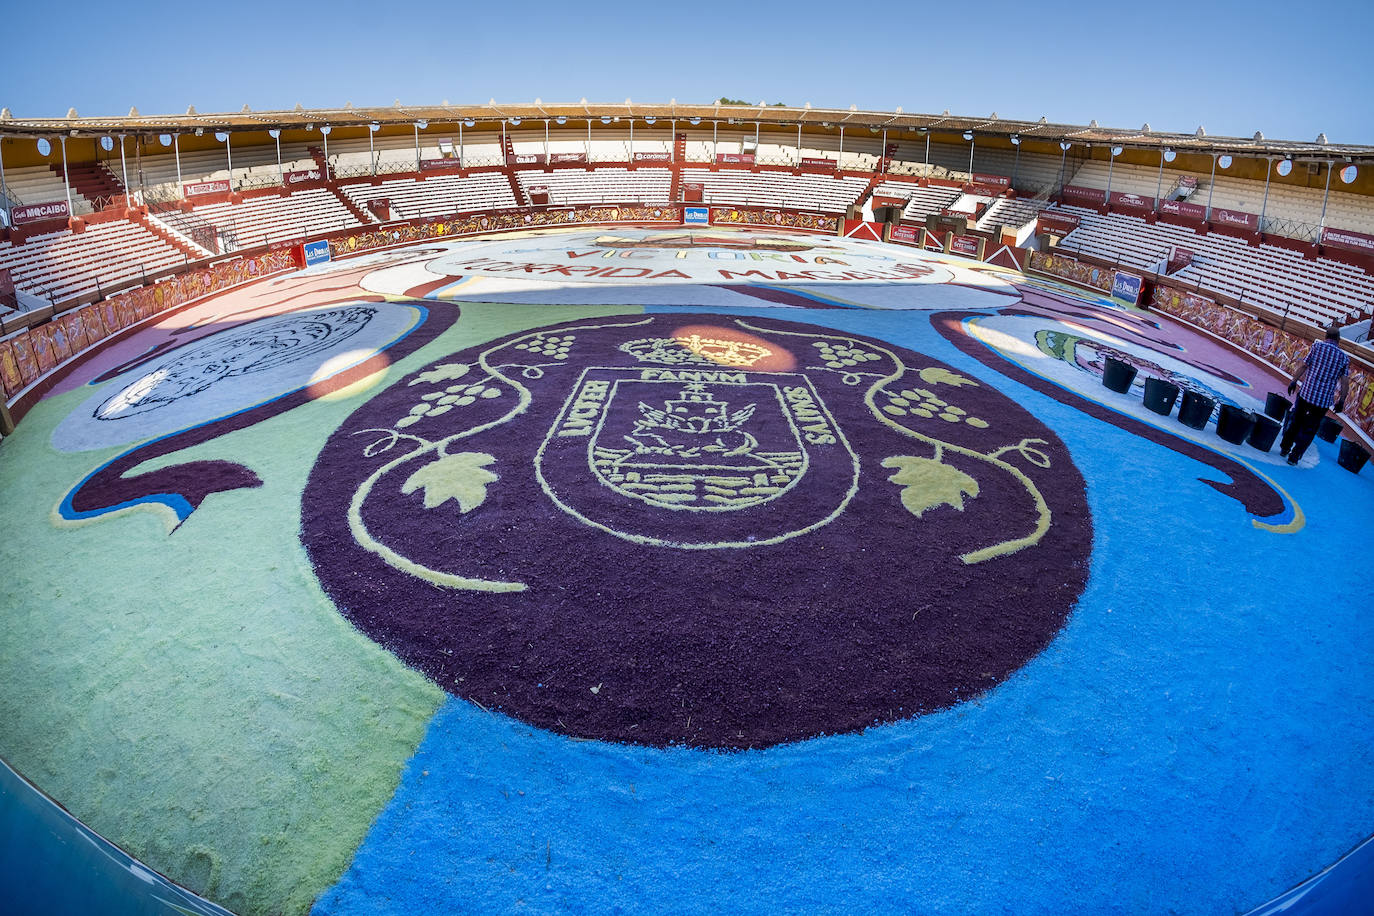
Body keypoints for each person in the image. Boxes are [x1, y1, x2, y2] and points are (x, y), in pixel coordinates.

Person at [1279, 326, 1350, 466]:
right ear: (1338, 340)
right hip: (1323, 401)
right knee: (1310, 429)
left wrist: (1294, 381)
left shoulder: (1317, 347)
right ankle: (1294, 456)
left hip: (1306, 393)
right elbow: (1345, 381)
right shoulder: (1344, 358)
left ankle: (1285, 447)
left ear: (1326, 336)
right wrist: (1341, 401)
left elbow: (1304, 366)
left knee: (1295, 420)